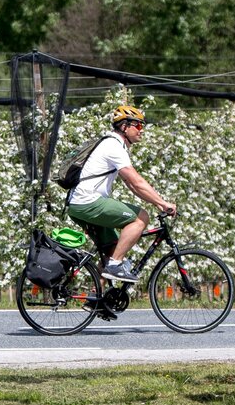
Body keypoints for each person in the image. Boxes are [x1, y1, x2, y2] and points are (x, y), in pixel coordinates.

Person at [67, 105, 177, 284]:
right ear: (125, 127)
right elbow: (136, 181)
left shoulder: (113, 145)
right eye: (138, 126)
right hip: (88, 202)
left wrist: (157, 203)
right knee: (140, 218)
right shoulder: (113, 146)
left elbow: (131, 185)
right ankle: (116, 264)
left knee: (112, 249)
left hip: (79, 204)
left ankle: (97, 298)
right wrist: (164, 203)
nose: (141, 131)